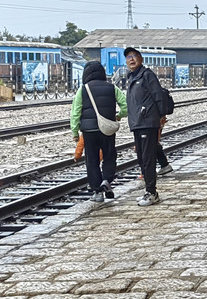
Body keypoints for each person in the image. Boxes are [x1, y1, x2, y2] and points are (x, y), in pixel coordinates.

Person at [70, 61, 126, 203]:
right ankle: (106, 180)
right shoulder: (112, 88)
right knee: (109, 155)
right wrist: (119, 115)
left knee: (92, 160)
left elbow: (75, 112)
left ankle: (97, 192)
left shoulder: (83, 89)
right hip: (107, 129)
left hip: (89, 131)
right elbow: (125, 106)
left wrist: (75, 132)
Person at [124, 46, 170, 205]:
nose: (131, 59)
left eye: (134, 56)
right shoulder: (132, 77)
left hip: (147, 122)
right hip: (137, 123)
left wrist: (161, 116)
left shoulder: (147, 75)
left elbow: (158, 95)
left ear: (141, 58)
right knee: (141, 158)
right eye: (128, 57)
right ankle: (148, 191)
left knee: (148, 158)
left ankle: (151, 192)